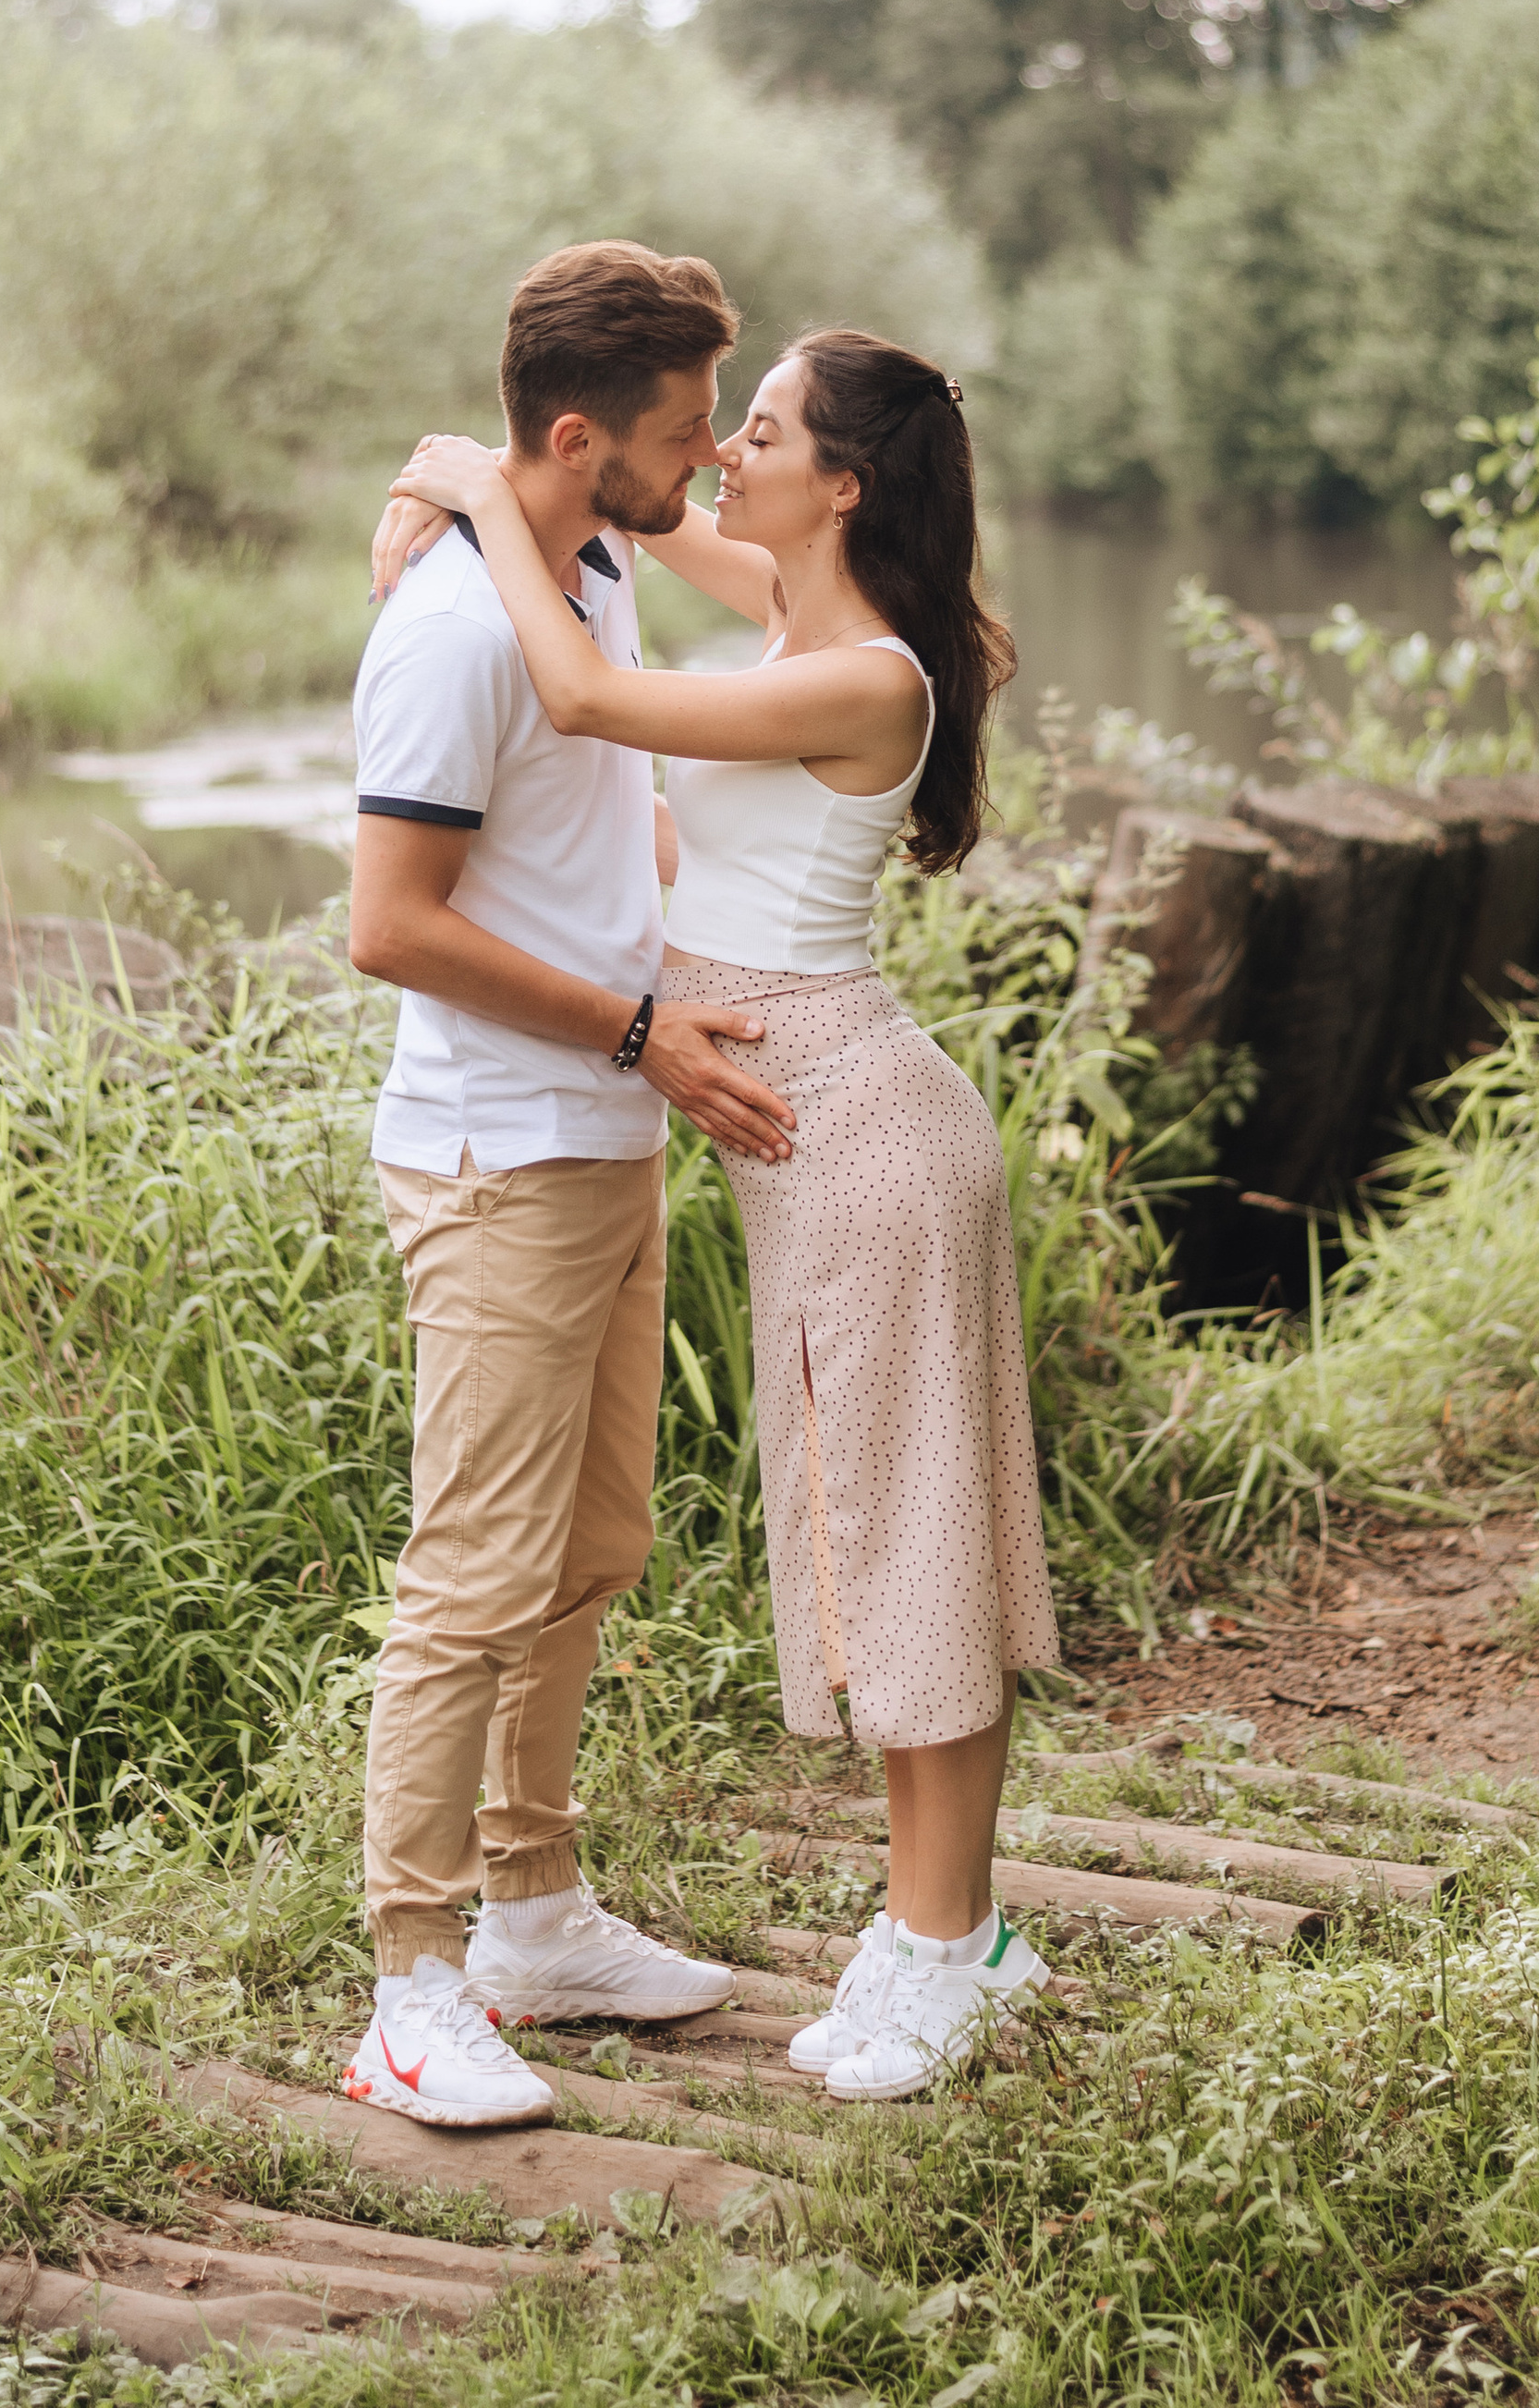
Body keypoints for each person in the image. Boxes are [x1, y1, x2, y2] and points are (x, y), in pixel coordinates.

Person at [384, 327, 1061, 2104]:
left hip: (860, 1131)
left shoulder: (872, 676)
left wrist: (466, 490)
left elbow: (596, 697)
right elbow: (622, 508)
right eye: (723, 424)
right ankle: (941, 1932)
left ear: (841, 483)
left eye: (756, 430)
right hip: (802, 1135)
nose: (723, 450)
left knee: (912, 1541)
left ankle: (949, 1944)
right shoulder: (793, 607)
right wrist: (487, 484)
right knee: (865, 1533)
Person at [339, 239, 800, 2129]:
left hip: (604, 1142)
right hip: (500, 1155)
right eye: (688, 427)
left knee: (588, 1552)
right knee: (471, 1580)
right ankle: (406, 1981)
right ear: (585, 430)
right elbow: (388, 924)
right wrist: (635, 1031)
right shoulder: (454, 629)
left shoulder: (587, 559)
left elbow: (599, 809)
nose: (703, 458)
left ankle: (532, 1909)